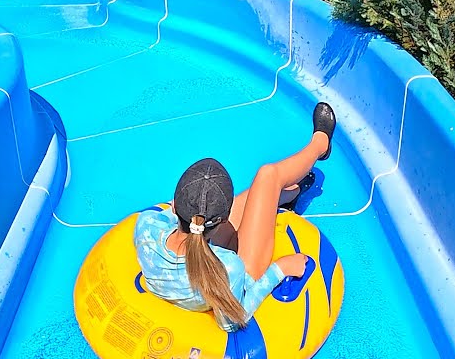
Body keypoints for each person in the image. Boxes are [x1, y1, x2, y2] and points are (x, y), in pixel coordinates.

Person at [135, 103, 337, 332]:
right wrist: (279, 269)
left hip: (196, 264)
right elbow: (230, 322)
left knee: (264, 189)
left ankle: (289, 194)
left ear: (174, 206)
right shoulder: (230, 268)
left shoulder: (146, 225)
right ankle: (320, 146)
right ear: (224, 220)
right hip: (235, 275)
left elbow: (185, 219)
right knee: (268, 175)